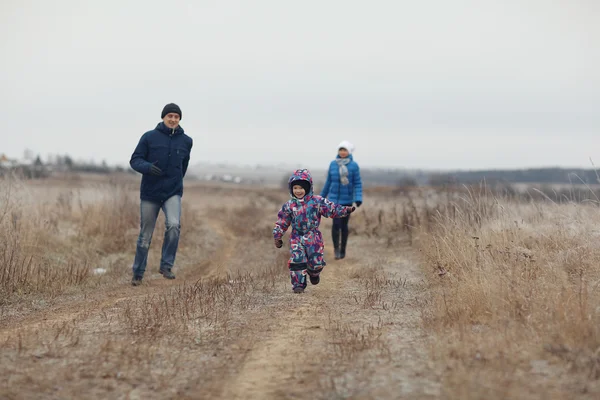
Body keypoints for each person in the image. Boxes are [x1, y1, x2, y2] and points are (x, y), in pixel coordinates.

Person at [129, 103, 193, 286]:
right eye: (170, 116)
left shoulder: (187, 141)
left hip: (173, 192)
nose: (173, 119)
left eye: (176, 116)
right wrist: (147, 168)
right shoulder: (149, 137)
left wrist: (176, 181)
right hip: (150, 192)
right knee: (145, 234)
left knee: (174, 225)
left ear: (179, 119)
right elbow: (135, 160)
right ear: (163, 117)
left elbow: (184, 166)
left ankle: (166, 266)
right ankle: (138, 272)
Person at [273, 169, 355, 293]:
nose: (298, 191)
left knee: (315, 262)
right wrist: (277, 236)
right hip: (296, 237)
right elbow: (282, 221)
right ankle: (298, 285)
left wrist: (345, 210)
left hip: (313, 237)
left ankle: (314, 273)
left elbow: (331, 209)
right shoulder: (289, 206)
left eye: (301, 188)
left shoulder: (316, 202)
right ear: (291, 189)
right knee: (297, 260)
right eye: (295, 188)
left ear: (308, 187)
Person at [320, 140, 363, 259]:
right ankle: (336, 250)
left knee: (344, 225)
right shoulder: (333, 164)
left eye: (345, 150)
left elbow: (357, 183)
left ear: (348, 152)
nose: (342, 152)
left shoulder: (354, 166)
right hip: (333, 200)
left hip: (347, 200)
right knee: (336, 224)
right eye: (341, 150)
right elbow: (328, 182)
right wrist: (321, 198)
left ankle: (343, 249)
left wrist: (358, 198)